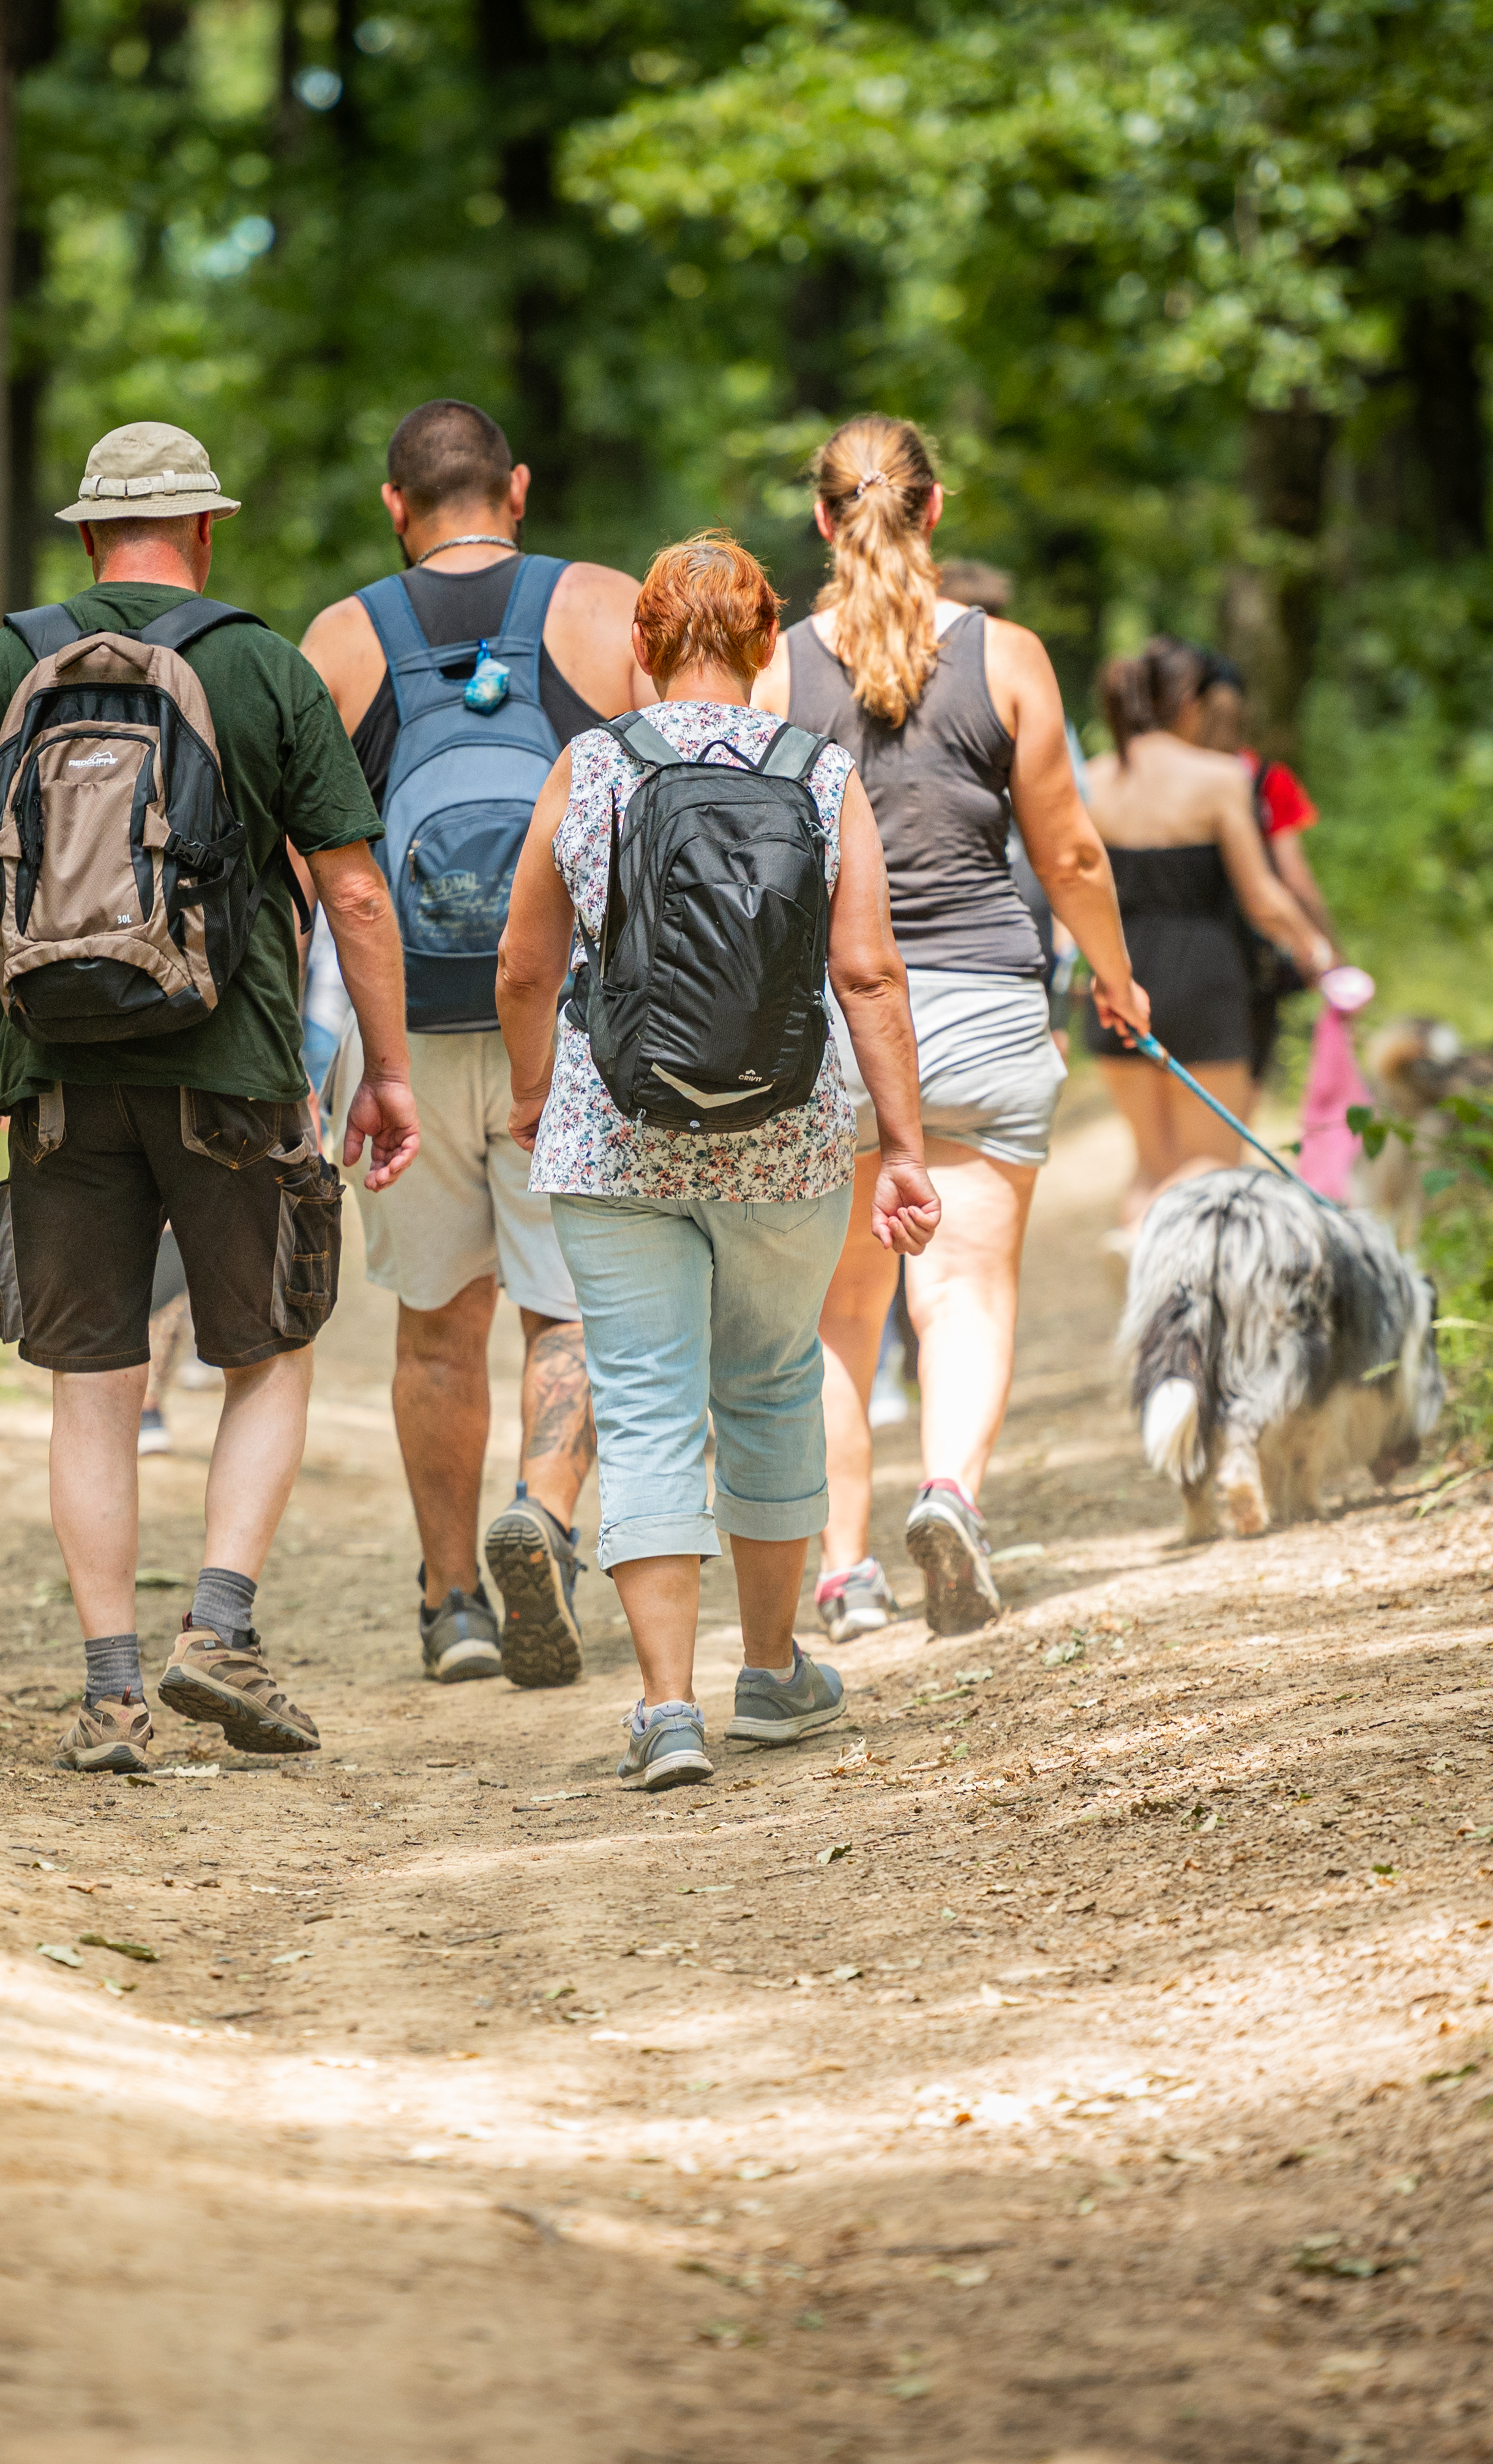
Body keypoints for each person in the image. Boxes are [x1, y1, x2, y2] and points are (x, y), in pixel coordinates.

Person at [0, 420, 421, 1776]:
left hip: (60, 1073)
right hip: (231, 1067)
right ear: (205, 532)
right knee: (268, 1347)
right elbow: (356, 888)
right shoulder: (261, 663)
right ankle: (222, 1627)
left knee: (93, 1380)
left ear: (85, 537)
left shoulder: (13, 659)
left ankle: (113, 1692)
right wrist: (390, 1070)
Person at [492, 531, 941, 1793]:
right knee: (769, 1381)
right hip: (786, 1135)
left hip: (616, 1127)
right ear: (766, 651)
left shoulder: (589, 766)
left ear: (638, 644)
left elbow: (527, 967)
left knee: (641, 1399)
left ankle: (664, 1707)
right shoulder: (819, 769)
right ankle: (776, 1670)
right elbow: (866, 972)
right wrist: (902, 1145)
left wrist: (538, 1092)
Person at [752, 416, 1152, 1643]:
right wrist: (1119, 981)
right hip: (982, 1000)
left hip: (835, 1021)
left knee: (841, 1312)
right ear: (936, 513)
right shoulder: (1010, 656)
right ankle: (950, 1493)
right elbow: (1070, 849)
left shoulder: (780, 670)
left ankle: (845, 1572)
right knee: (966, 1286)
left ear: (822, 522)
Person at [297, 401, 648, 1688]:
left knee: (435, 1325)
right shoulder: (608, 610)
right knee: (575, 1303)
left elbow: (308, 874)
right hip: (570, 1021)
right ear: (519, 486)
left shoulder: (339, 638)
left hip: (404, 1036)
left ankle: (453, 1605)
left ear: (396, 504)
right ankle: (545, 1516)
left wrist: (314, 1059)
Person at [1075, 636, 1337, 1233]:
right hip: (1206, 980)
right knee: (1212, 1169)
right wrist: (1319, 953)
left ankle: (1139, 1270)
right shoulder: (1220, 777)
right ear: (1189, 702)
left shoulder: (1092, 780)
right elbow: (1265, 899)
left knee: (1149, 1166)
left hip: (1119, 977)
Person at [1168, 648, 1340, 1072]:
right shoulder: (1268, 781)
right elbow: (1295, 879)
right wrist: (1327, 949)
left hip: (1166, 956)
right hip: (1248, 961)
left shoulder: (1165, 780)